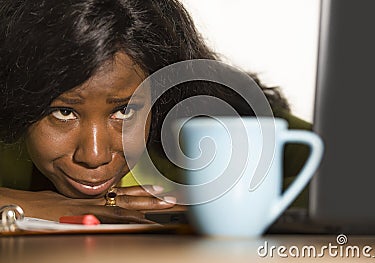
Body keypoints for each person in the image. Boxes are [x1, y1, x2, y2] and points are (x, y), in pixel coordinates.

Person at [0, 0, 310, 222]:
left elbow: (348, 178)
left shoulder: (209, 123)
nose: (94, 156)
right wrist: (23, 202)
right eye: (63, 112)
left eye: (124, 111)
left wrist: (222, 205)